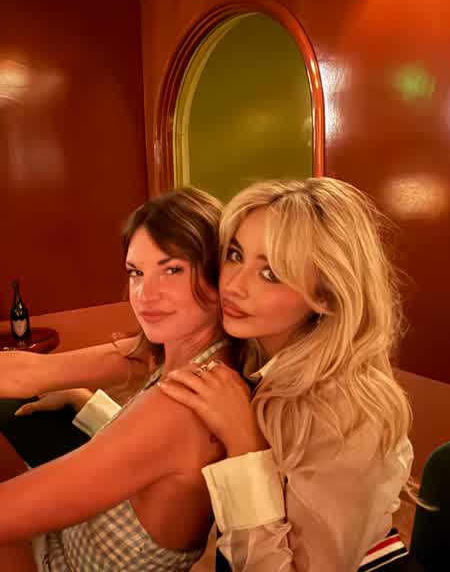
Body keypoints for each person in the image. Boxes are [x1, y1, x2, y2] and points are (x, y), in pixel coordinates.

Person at [158, 178, 422, 571]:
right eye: (235, 255)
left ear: (327, 295)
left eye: (271, 273)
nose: (233, 285)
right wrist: (91, 405)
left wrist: (245, 445)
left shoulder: (347, 414)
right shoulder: (251, 353)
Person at [0, 186, 233, 571]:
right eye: (136, 272)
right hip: (63, 540)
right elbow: (28, 372)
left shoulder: (181, 405)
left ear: (219, 273)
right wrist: (81, 398)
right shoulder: (176, 349)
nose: (145, 294)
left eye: (172, 269)